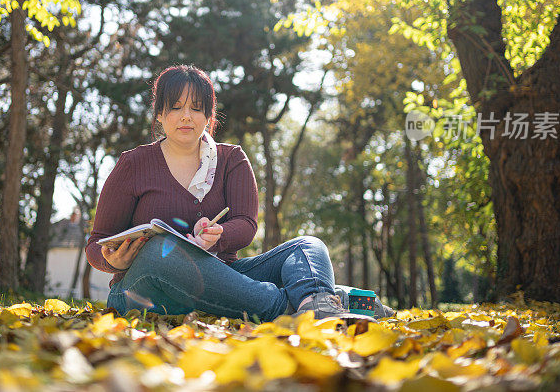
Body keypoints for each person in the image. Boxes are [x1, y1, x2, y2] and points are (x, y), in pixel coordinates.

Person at [86, 65, 394, 322]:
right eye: (176, 107)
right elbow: (96, 244)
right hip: (144, 289)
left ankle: (316, 301)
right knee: (159, 251)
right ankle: (299, 306)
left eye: (196, 108)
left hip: (224, 277)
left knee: (306, 246)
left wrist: (218, 235)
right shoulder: (133, 164)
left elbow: (246, 223)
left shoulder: (231, 159)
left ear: (209, 115)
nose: (186, 116)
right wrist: (114, 260)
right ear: (160, 114)